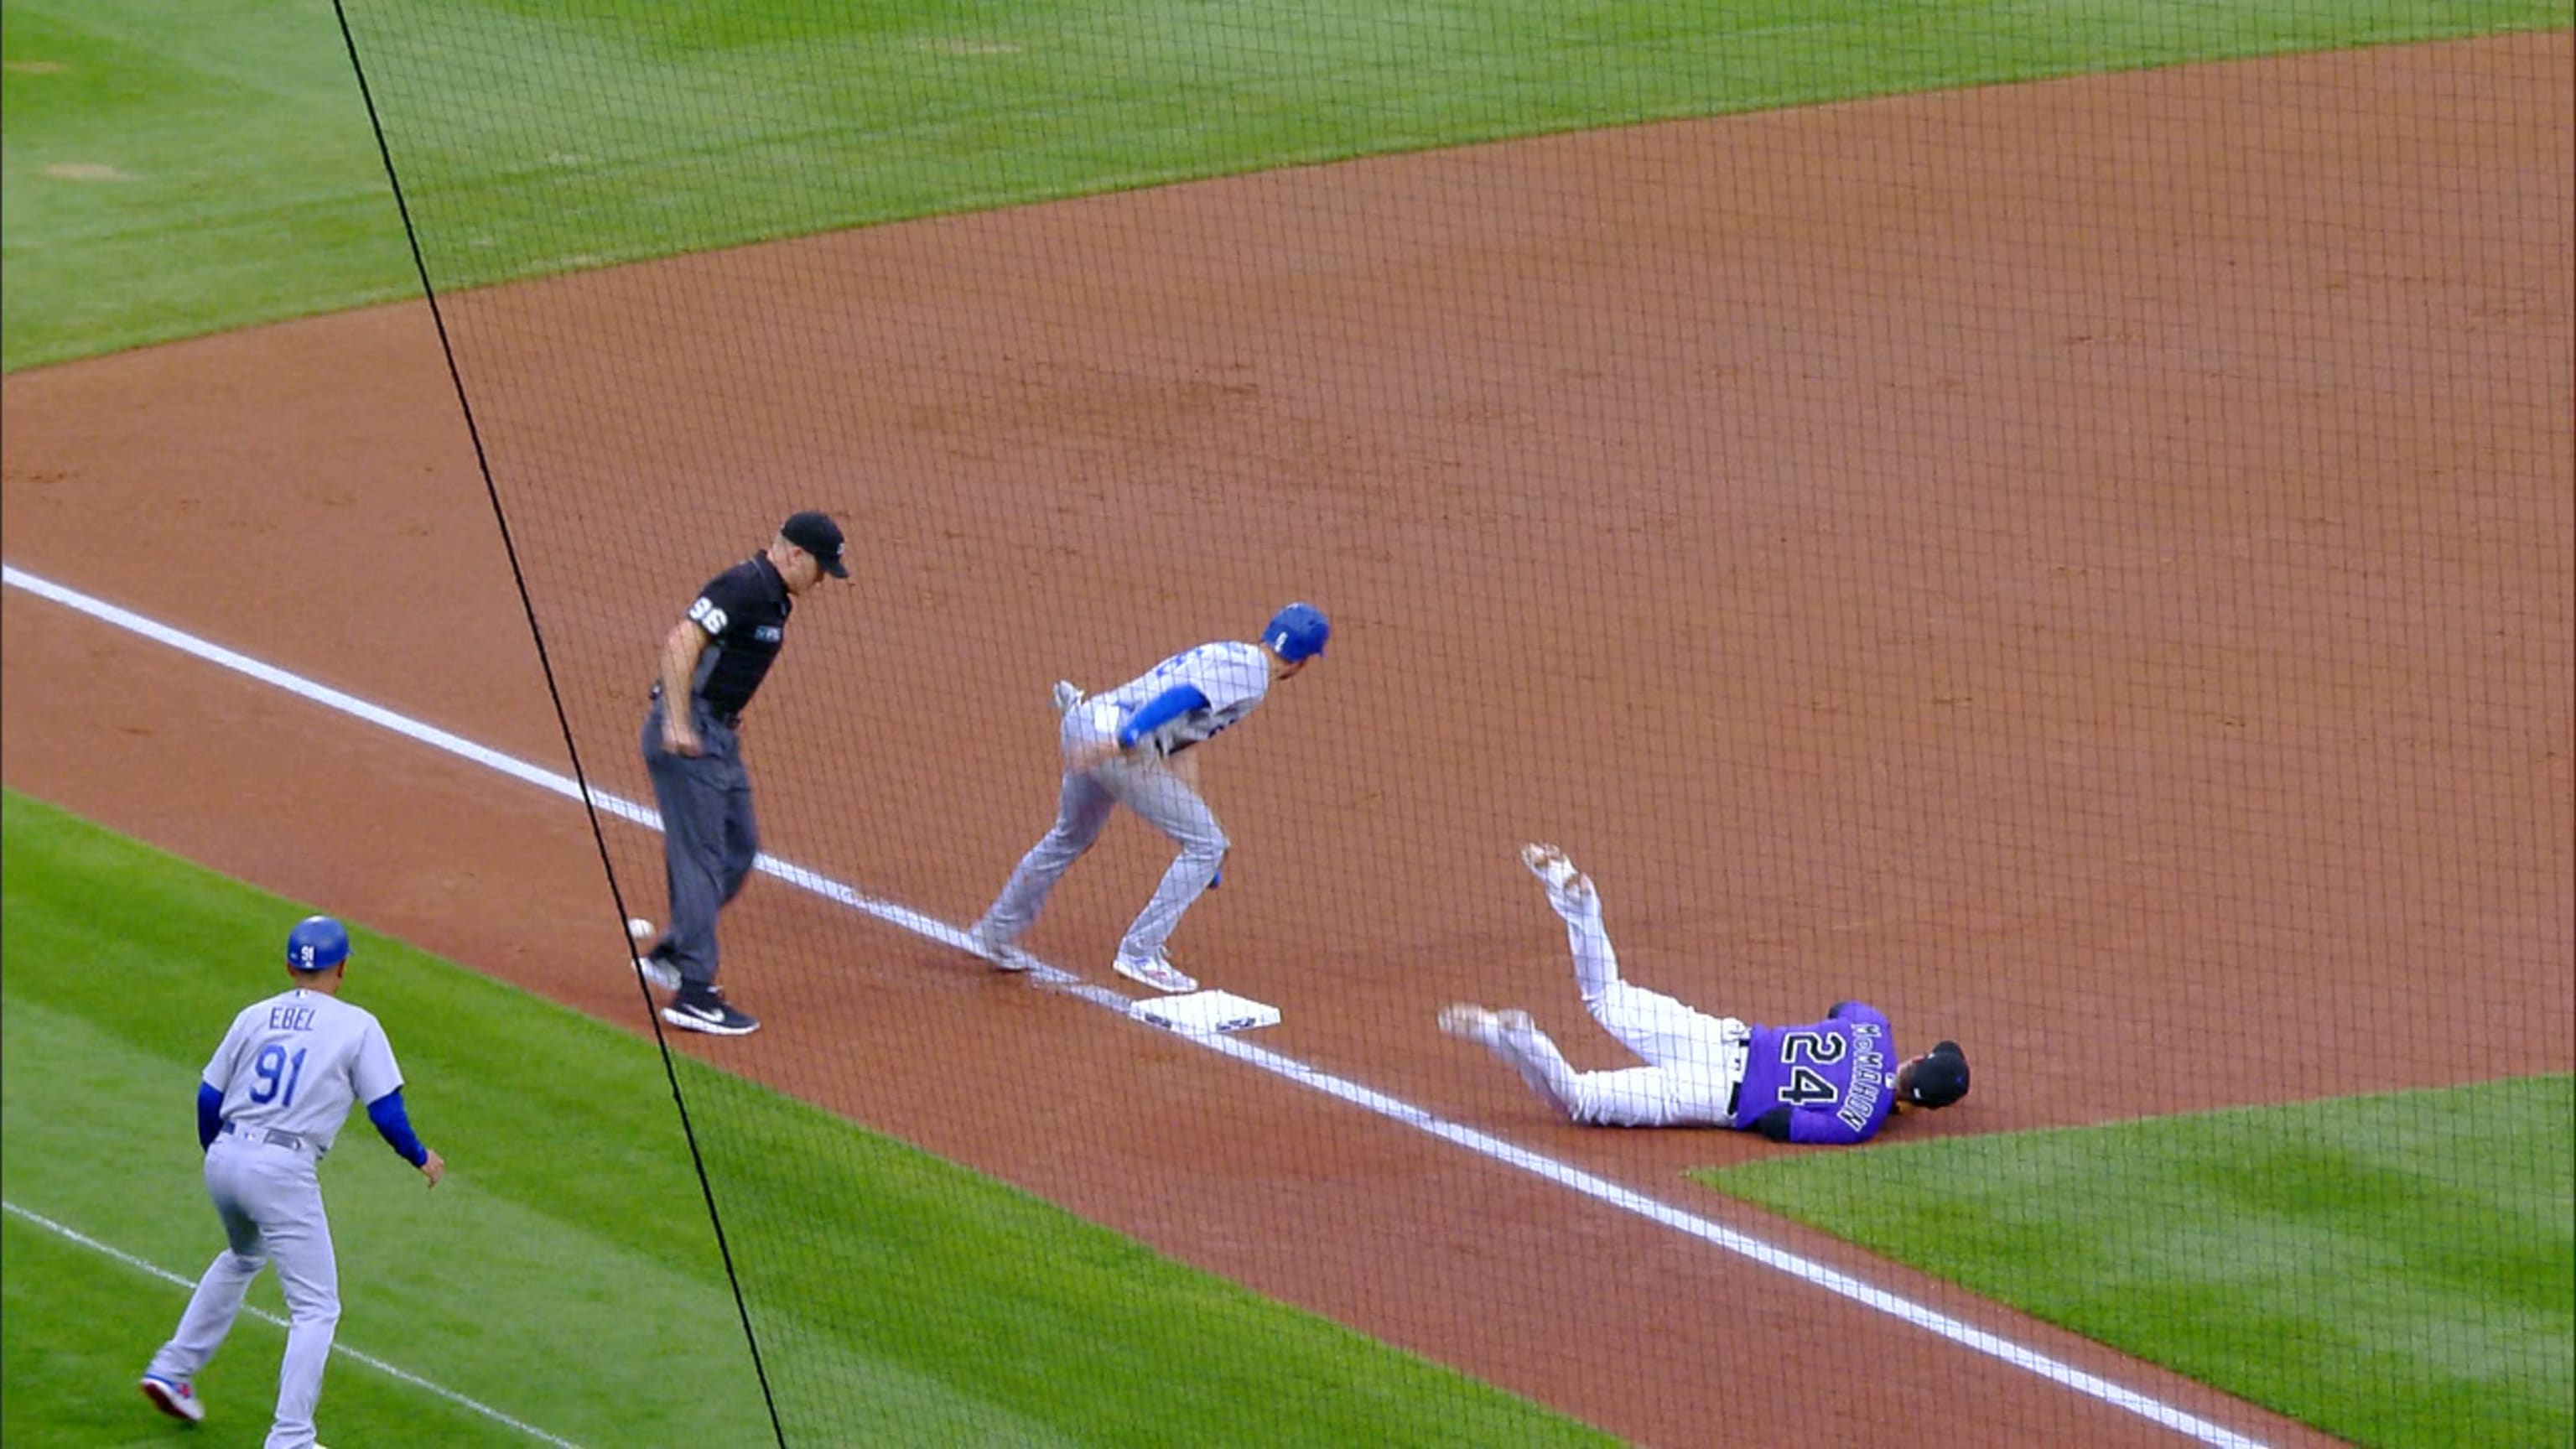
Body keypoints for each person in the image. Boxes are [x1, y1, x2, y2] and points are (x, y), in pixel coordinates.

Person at [140, 916, 445, 1445]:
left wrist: (222, 1155)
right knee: (316, 1307)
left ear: (289, 966)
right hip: (282, 1168)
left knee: (242, 1255)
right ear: (343, 967)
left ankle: (171, 1369)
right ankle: (291, 1438)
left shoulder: (256, 1014)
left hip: (226, 1155)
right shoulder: (357, 1025)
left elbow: (209, 1098)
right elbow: (386, 1112)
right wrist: (420, 1156)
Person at [1441, 844, 1970, 1141]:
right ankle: (1509, 1033)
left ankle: (1579, 900)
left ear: (1920, 1056)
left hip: (1719, 1038)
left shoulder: (1872, 1028)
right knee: (1578, 1100)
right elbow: (1777, 1121)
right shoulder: (1862, 1120)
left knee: (1607, 996)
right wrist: (1881, 1102)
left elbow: (1839, 1009)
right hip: (1715, 1094)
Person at [966, 603, 1330, 993]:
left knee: (1073, 838)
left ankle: (994, 933)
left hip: (1086, 721)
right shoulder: (1254, 678)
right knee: (1208, 844)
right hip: (1118, 744)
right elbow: (1181, 697)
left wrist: (1197, 846)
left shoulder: (1228, 652)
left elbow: (1182, 748)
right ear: (1305, 661)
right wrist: (1125, 739)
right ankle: (1140, 953)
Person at [631, 511, 849, 1036]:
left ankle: (676, 949)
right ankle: (695, 993)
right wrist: (679, 723)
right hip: (692, 734)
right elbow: (682, 641)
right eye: (820, 570)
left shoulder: (774, 597)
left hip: (719, 737)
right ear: (794, 554)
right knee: (701, 860)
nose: (821, 582)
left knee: (738, 848)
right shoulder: (745, 585)